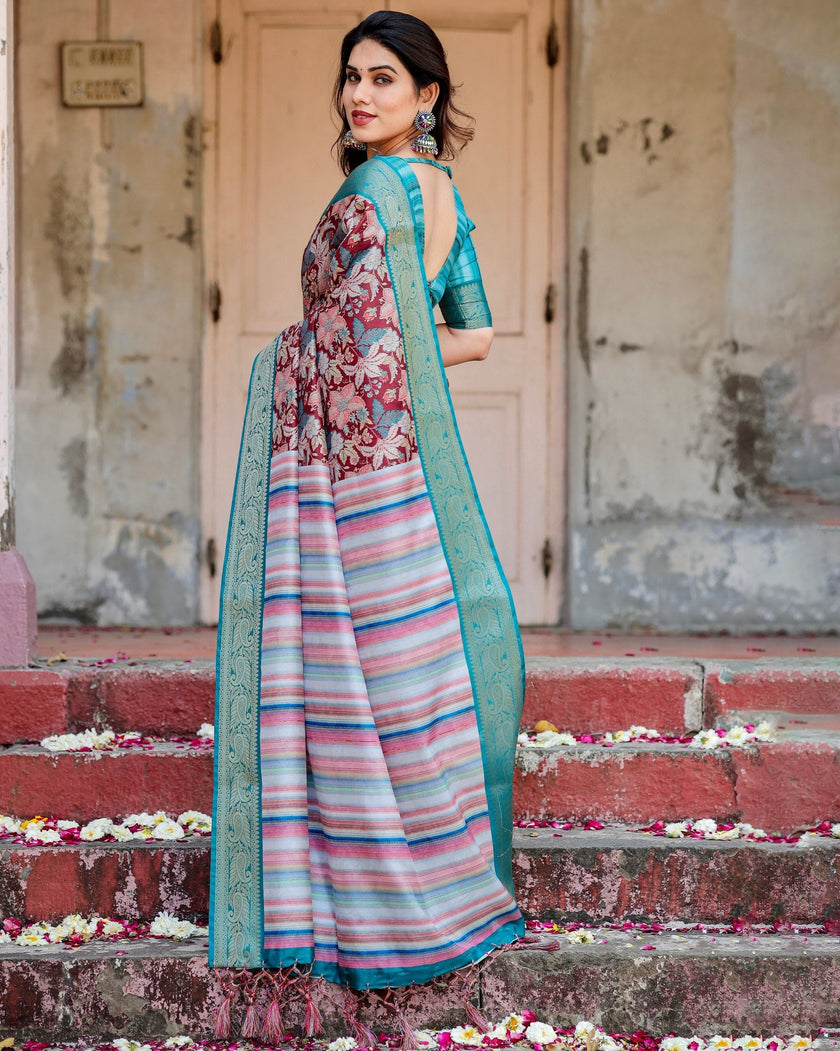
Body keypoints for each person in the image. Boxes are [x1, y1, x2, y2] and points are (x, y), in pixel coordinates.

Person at [210, 9, 525, 1033]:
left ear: (428, 95)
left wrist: (310, 358)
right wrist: (381, 359)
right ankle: (434, 883)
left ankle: (377, 905)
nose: (360, 95)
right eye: (352, 77)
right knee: (400, 668)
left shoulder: (380, 187)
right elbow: (471, 334)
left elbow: (376, 328)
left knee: (356, 669)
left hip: (349, 464)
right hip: (397, 461)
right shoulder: (445, 195)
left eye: (385, 80)